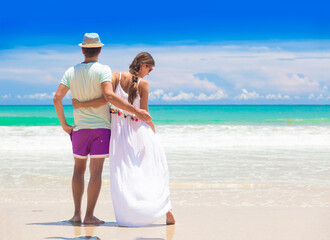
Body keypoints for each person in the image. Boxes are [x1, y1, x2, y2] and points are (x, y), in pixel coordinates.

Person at [53, 33, 151, 225]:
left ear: (82, 50)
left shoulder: (71, 71)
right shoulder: (104, 70)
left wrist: (64, 125)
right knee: (95, 172)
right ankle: (89, 215)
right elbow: (109, 96)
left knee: (78, 170)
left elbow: (57, 97)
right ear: (100, 50)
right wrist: (136, 111)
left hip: (79, 128)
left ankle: (76, 215)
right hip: (101, 129)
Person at [72, 52, 175, 227]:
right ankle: (164, 210)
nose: (149, 72)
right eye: (150, 69)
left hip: (120, 133)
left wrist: (81, 104)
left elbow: (105, 100)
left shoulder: (115, 77)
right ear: (143, 65)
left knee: (124, 173)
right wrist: (153, 133)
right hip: (137, 132)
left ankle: (152, 211)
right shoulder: (142, 84)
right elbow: (145, 114)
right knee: (146, 172)